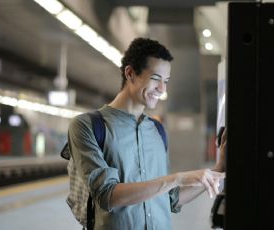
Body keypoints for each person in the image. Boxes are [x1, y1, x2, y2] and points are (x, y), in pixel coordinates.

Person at [68, 37, 226, 230]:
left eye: (166, 81)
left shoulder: (157, 130)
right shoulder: (88, 126)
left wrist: (217, 169)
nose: (162, 89)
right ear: (130, 73)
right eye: (155, 79)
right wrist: (175, 179)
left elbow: (171, 200)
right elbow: (107, 195)